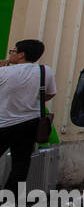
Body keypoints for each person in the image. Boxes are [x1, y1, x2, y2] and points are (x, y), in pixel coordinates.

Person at [0, 38, 56, 196]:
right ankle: (8, 200)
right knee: (21, 164)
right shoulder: (45, 71)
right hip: (30, 123)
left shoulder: (4, 72)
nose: (11, 54)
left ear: (21, 54)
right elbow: (50, 93)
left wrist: (4, 63)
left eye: (13, 51)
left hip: (4, 122)